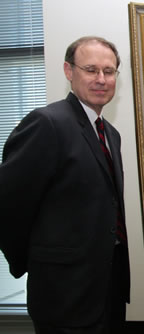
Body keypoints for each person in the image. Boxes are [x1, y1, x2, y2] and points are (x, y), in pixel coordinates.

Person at [0, 36, 130, 334]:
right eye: (90, 69)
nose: (101, 79)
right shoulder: (47, 123)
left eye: (109, 71)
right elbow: (7, 204)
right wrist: (34, 261)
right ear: (69, 72)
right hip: (63, 295)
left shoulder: (110, 133)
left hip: (108, 289)